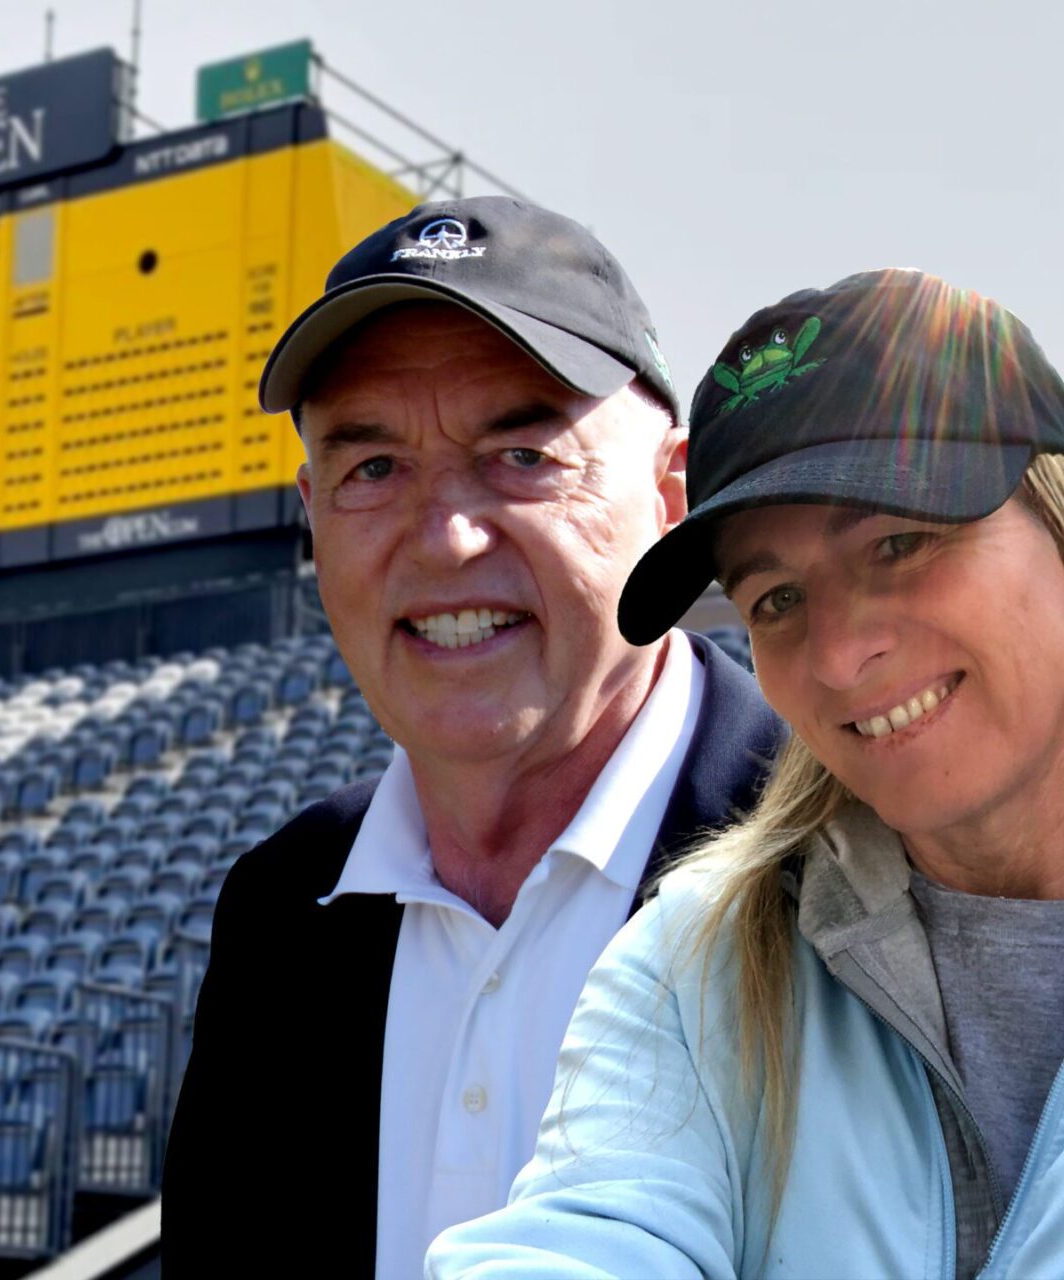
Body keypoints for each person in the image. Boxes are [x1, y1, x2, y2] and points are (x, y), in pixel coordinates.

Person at [160, 196, 786, 1279]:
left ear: (671, 494)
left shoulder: (856, 852)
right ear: (311, 515)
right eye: (371, 469)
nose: (445, 538)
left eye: (523, 456)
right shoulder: (278, 906)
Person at [425, 267, 1064, 1280]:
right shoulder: (699, 956)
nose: (838, 651)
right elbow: (581, 1244)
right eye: (772, 598)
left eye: (897, 539)